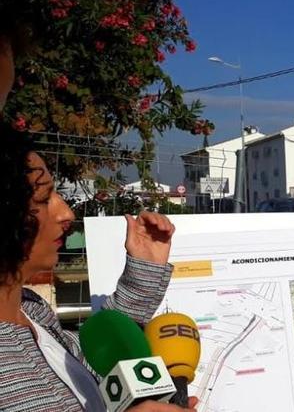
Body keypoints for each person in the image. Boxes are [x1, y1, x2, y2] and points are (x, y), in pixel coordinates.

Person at [0, 126, 196, 411]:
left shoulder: (30, 309)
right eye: (44, 199)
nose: (66, 213)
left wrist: (145, 267)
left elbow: (97, 353)